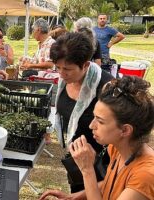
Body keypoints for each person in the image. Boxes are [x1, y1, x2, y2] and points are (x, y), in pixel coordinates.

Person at [40, 76, 154, 200]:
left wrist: (87, 170)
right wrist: (73, 197)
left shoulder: (145, 176)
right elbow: (110, 183)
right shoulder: (118, 148)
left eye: (100, 121)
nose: (91, 125)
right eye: (94, 117)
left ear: (125, 130)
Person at [51, 32, 114, 192]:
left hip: (101, 164)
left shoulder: (107, 88)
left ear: (85, 65)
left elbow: (121, 130)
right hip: (76, 159)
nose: (61, 73)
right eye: (58, 67)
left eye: (67, 69)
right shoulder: (65, 80)